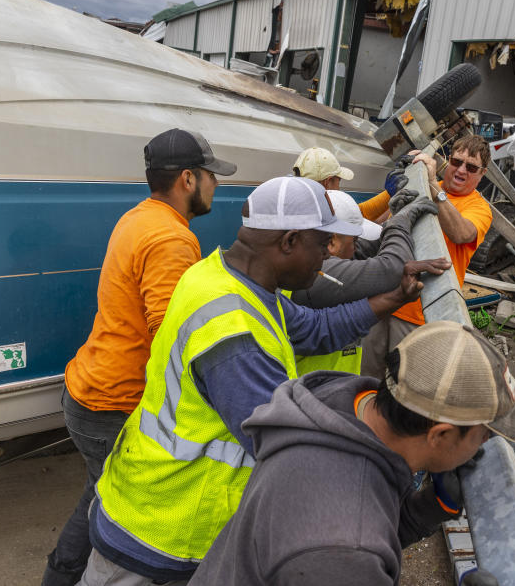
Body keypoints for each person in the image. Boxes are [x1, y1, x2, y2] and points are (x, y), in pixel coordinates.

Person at [78, 176, 450, 585]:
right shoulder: (232, 337)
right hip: (164, 531)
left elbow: (314, 328)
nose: (327, 256)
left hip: (157, 507)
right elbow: (287, 444)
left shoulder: (224, 278)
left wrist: (395, 295)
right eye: (322, 243)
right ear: (289, 241)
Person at [188, 320, 515, 586]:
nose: (485, 446)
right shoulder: (343, 551)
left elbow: (366, 519)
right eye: (485, 435)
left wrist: (428, 507)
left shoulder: (340, 407)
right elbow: (351, 540)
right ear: (440, 434)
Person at [41, 128, 236, 586]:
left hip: (90, 385)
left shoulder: (139, 218)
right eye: (211, 175)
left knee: (98, 498)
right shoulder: (171, 239)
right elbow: (171, 335)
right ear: (188, 179)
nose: (217, 185)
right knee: (112, 514)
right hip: (114, 400)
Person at [359, 134, 494, 378]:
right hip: (380, 302)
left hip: (420, 317)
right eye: (456, 162)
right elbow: (364, 214)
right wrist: (393, 189)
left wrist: (433, 187)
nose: (461, 170)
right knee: (366, 380)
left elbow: (461, 233)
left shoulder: (478, 207)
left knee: (407, 392)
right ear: (448, 162)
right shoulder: (418, 183)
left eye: (471, 167)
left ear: (482, 173)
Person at [290, 187, 440, 375]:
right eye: (354, 240)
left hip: (328, 388)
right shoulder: (318, 275)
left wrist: (390, 223)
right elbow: (392, 269)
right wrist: (399, 223)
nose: (356, 248)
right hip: (314, 394)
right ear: (331, 243)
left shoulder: (305, 262)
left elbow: (362, 252)